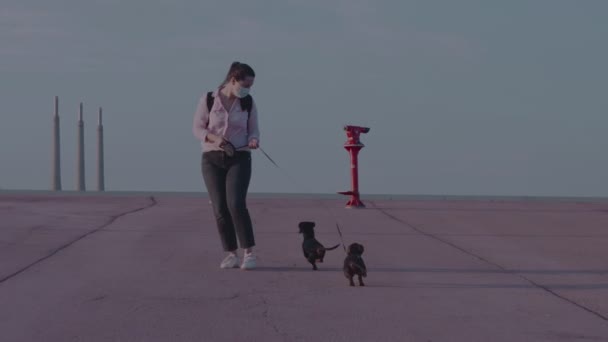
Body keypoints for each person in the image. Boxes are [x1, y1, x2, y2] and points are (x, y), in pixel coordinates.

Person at [192, 61, 260, 270]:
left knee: (236, 204)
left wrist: (254, 140)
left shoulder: (247, 102)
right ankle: (231, 254)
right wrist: (214, 138)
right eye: (245, 84)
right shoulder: (209, 99)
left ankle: (248, 252)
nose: (247, 89)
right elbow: (197, 128)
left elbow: (254, 129)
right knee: (220, 207)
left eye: (250, 86)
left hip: (239, 157)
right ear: (233, 80)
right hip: (212, 158)